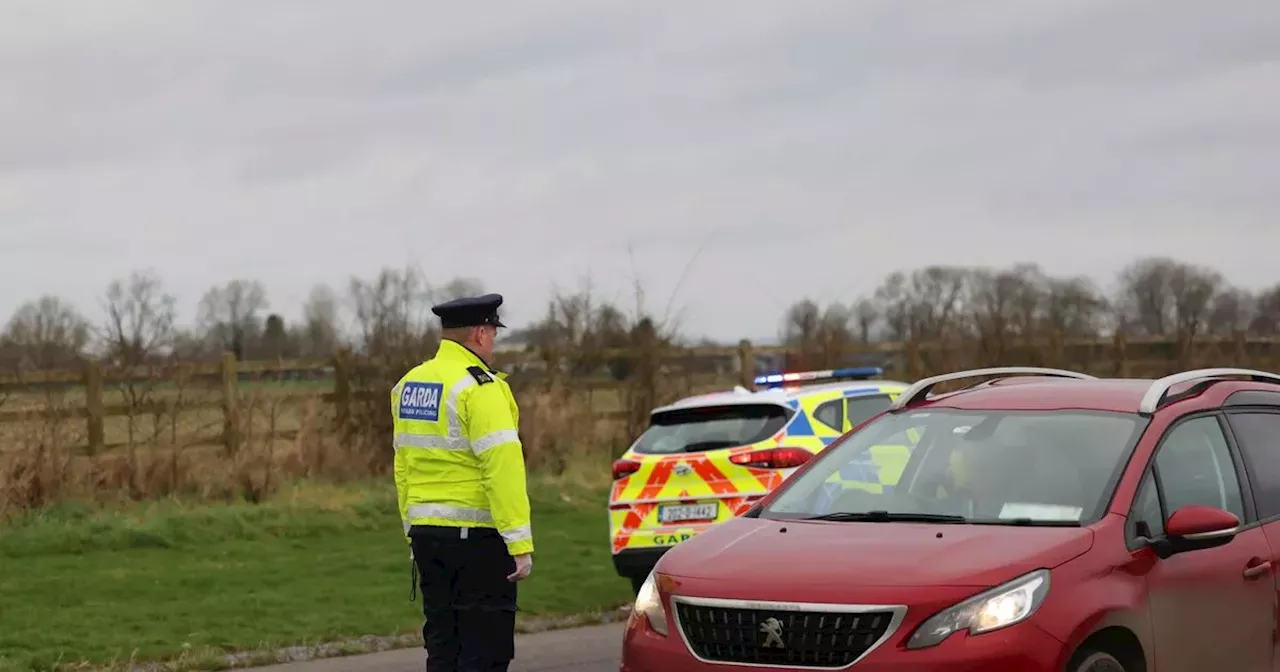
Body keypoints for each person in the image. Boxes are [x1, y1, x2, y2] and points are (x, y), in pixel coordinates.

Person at [391, 292, 534, 672]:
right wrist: (519, 542)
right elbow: (502, 468)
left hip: (427, 536)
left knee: (443, 645)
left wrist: (412, 530)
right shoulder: (480, 388)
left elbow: (403, 465)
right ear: (480, 333)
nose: (493, 343)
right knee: (485, 653)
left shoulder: (409, 384)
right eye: (493, 333)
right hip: (479, 543)